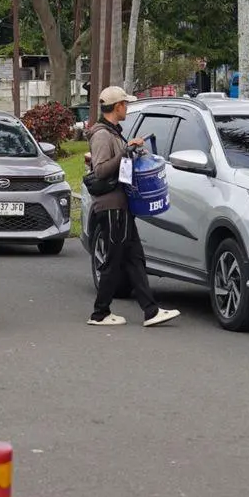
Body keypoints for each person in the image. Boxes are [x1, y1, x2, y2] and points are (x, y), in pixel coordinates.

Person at [86, 86, 180, 329]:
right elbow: (100, 170)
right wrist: (126, 152)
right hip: (111, 207)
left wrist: (133, 152)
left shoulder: (113, 133)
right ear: (117, 107)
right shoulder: (102, 135)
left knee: (135, 259)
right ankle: (100, 313)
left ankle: (151, 311)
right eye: (125, 105)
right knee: (113, 261)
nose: (127, 108)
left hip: (121, 206)